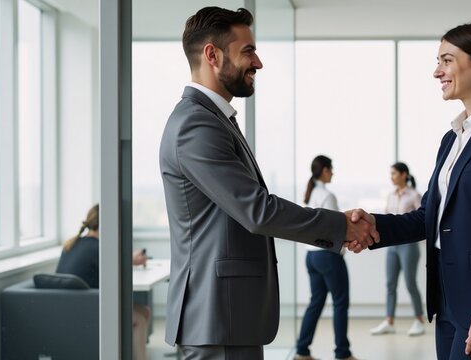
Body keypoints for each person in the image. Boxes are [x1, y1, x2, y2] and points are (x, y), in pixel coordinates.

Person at [159, 7, 376, 359]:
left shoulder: (214, 120)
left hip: (227, 317)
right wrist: (341, 226)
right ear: (212, 55)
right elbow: (257, 210)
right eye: (247, 51)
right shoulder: (195, 125)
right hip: (217, 318)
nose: (257, 62)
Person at [348, 21, 471, 360]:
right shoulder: (451, 139)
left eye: (447, 60)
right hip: (449, 299)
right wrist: (374, 226)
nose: (437, 71)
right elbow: (429, 217)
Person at [56, 204, 151, 360]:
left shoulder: (73, 244)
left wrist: (128, 259)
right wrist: (130, 260)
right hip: (87, 309)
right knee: (139, 318)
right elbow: (118, 274)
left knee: (144, 311)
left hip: (71, 307)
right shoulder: (98, 248)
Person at [294, 156, 357, 360]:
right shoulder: (327, 195)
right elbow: (335, 230)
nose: (333, 173)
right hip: (328, 256)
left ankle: (302, 351)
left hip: (311, 257)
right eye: (331, 169)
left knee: (316, 302)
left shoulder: (310, 194)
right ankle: (342, 353)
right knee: (340, 303)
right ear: (325, 171)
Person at [370, 162, 426, 337]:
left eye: (394, 173)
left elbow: (422, 220)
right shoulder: (391, 196)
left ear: (404, 175)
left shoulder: (414, 195)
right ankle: (389, 321)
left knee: (410, 283)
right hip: (392, 247)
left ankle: (419, 320)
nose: (391, 176)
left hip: (408, 246)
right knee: (390, 284)